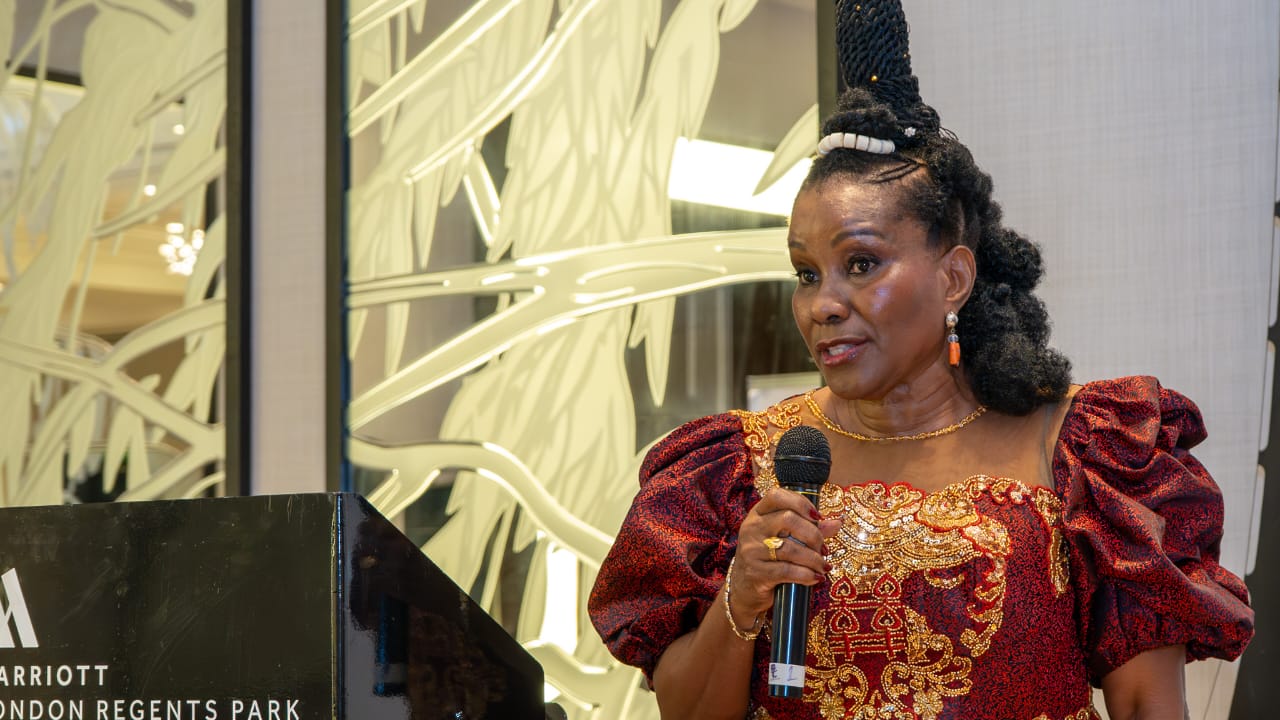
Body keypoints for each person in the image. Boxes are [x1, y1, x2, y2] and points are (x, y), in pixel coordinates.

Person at [587, 1, 1255, 719]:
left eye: (861, 263)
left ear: (953, 278)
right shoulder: (737, 469)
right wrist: (740, 595)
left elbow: (1147, 706)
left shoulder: (1083, 452)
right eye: (806, 273)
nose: (823, 304)